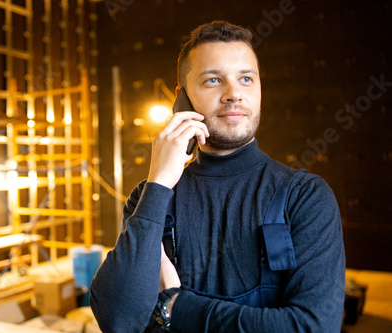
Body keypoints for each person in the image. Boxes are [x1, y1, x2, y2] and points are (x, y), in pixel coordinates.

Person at [89, 20, 345, 332]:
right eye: (213, 80)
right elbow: (119, 320)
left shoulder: (305, 196)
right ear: (182, 99)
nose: (234, 94)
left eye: (247, 79)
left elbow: (312, 328)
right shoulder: (151, 198)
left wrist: (173, 305)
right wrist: (158, 183)